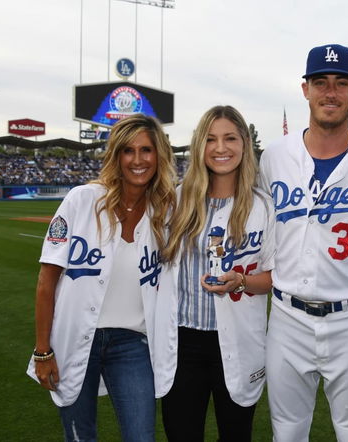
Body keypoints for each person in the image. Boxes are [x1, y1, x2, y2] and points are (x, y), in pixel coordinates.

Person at [259, 44, 348, 442]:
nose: (331, 92)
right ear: (305, 89)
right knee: (286, 434)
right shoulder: (273, 157)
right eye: (320, 82)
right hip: (287, 319)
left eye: (342, 83)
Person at [26, 114, 177, 441]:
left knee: (142, 436)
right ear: (115, 156)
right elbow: (46, 281)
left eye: (147, 150)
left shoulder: (166, 211)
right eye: (127, 150)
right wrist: (42, 351)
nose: (137, 160)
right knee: (81, 436)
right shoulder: (81, 200)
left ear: (159, 155)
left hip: (133, 344)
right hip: (76, 338)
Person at [154, 105, 275, 442]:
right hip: (182, 342)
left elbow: (274, 277)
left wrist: (242, 281)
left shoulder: (262, 206)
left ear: (245, 143)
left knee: (236, 436)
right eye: (211, 139)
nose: (221, 148)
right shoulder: (174, 202)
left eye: (230, 138)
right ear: (199, 146)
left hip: (236, 339)